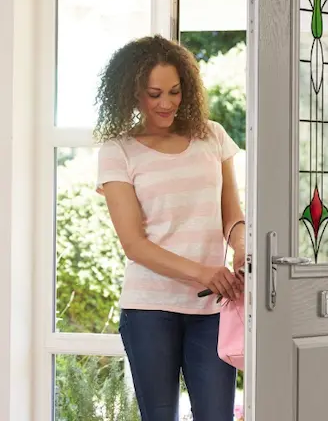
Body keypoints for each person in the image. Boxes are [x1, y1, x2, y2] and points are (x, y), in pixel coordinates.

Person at [94, 35, 245, 421]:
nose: (166, 103)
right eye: (154, 93)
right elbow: (135, 244)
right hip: (149, 309)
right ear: (132, 93)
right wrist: (205, 272)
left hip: (212, 308)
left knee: (217, 416)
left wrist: (242, 247)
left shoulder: (211, 136)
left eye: (175, 92)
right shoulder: (118, 151)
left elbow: (231, 215)